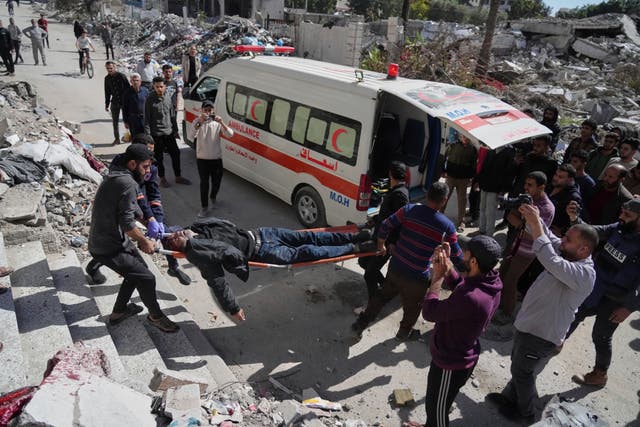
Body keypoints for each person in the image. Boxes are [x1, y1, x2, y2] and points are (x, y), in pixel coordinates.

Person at [486, 204, 598, 423]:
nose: (562, 241)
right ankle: (509, 397)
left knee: (523, 372)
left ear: (584, 249)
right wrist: (532, 217)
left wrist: (536, 223)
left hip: (542, 333)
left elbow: (548, 256)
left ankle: (526, 414)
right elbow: (547, 238)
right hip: (529, 324)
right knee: (519, 365)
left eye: (568, 240)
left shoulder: (584, 274)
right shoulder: (568, 252)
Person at [162, 219, 376, 320]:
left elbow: (226, 224)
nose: (176, 233)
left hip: (263, 232)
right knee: (309, 251)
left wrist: (193, 230)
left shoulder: (200, 228)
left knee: (310, 236)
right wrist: (233, 308)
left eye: (174, 232)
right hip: (264, 252)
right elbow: (218, 283)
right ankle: (354, 247)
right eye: (174, 238)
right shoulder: (202, 256)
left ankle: (354, 236)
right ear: (179, 248)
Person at [351, 182, 465, 341]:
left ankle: (361, 322)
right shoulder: (447, 226)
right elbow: (457, 255)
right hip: (417, 277)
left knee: (381, 296)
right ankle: (403, 333)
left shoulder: (409, 209)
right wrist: (467, 268)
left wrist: (381, 245)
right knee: (413, 308)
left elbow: (385, 225)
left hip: (396, 267)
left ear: (428, 194)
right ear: (444, 200)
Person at [88, 144, 179, 333]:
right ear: (132, 163)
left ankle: (118, 313)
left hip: (112, 239)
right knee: (146, 278)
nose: (147, 171)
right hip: (107, 246)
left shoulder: (119, 175)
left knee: (138, 272)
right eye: (145, 167)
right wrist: (144, 241)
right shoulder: (127, 183)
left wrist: (151, 223)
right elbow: (127, 222)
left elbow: (132, 210)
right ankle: (156, 317)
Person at [415, 236, 502, 427]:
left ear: (473, 261)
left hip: (450, 364)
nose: (462, 254)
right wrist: (448, 268)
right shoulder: (490, 282)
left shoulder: (472, 298)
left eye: (466, 252)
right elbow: (463, 288)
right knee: (438, 406)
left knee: (436, 412)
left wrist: (437, 277)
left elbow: (430, 312)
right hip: (459, 354)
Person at [87, 134, 192, 287]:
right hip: (128, 202)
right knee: (114, 241)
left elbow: (154, 193)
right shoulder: (120, 163)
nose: (150, 158)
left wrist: (158, 219)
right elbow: (134, 193)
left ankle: (173, 267)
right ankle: (94, 265)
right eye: (146, 153)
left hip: (137, 202)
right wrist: (148, 218)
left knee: (165, 233)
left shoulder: (151, 166)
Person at [563, 199, 640, 387]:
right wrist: (575, 219)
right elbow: (593, 232)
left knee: (601, 336)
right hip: (595, 289)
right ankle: (555, 343)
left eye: (627, 215)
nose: (621, 217)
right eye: (622, 212)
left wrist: (629, 308)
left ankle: (600, 374)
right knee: (572, 315)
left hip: (615, 300)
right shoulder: (619, 227)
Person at [493, 172, 555, 326]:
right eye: (525, 184)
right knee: (501, 274)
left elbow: (533, 235)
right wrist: (524, 223)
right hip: (515, 244)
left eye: (530, 185)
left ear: (541, 187)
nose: (525, 188)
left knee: (510, 281)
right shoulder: (526, 199)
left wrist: (522, 224)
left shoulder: (546, 208)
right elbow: (510, 217)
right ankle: (499, 304)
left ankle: (507, 313)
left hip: (527, 251)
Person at [357, 161, 409, 302]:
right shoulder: (395, 191)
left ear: (391, 174)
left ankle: (373, 305)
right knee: (363, 262)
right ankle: (387, 288)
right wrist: (374, 219)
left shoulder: (400, 195)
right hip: (379, 236)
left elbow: (400, 223)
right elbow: (387, 214)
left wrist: (391, 243)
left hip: (386, 242)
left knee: (370, 274)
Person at [187, 100, 233, 216]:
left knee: (217, 181)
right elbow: (190, 136)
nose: (208, 112)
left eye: (210, 110)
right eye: (205, 110)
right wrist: (200, 123)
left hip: (216, 158)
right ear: (201, 111)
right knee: (204, 183)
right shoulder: (197, 121)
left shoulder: (217, 123)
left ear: (213, 111)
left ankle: (213, 197)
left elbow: (230, 134)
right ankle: (204, 207)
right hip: (202, 159)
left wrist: (222, 122)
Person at [145, 76, 191, 187]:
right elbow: (147, 119)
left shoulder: (167, 97)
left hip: (169, 133)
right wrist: (148, 138)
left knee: (176, 153)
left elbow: (172, 116)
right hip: (157, 134)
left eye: (161, 86)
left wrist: (175, 130)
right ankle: (162, 178)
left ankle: (178, 176)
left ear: (165, 86)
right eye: (157, 87)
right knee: (158, 158)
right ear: (153, 87)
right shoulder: (150, 100)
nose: (159, 89)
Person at [477, 144, 517, 236]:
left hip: (496, 188)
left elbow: (509, 173)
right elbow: (484, 166)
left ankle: (489, 234)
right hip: (485, 184)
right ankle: (481, 229)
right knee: (482, 208)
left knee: (490, 211)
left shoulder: (509, 152)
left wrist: (503, 190)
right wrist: (478, 181)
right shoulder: (491, 149)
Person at [442, 134, 477, 232]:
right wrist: (443, 170)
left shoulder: (473, 149)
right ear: (461, 137)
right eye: (464, 136)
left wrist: (471, 177)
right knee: (445, 196)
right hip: (451, 177)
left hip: (463, 179)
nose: (465, 139)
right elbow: (444, 157)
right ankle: (438, 214)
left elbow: (474, 164)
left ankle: (461, 221)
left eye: (467, 137)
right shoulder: (453, 145)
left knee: (462, 200)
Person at [548, 164, 582, 237]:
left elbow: (575, 220)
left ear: (570, 179)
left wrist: (563, 232)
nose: (556, 178)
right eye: (556, 175)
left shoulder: (573, 197)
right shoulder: (551, 186)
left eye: (560, 177)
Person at [104, 61, 130, 145]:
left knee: (128, 120)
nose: (110, 70)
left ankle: (131, 137)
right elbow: (107, 92)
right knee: (115, 122)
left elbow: (128, 88)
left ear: (114, 68)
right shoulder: (107, 78)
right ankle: (117, 139)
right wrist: (107, 104)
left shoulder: (121, 76)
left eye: (111, 68)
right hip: (114, 102)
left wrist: (130, 101)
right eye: (108, 68)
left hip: (124, 102)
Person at [161, 64, 180, 137]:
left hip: (174, 107)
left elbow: (177, 94)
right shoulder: (161, 83)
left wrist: (177, 106)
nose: (168, 73)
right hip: (165, 107)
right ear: (163, 72)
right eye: (166, 72)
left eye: (169, 71)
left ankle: (174, 136)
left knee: (174, 122)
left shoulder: (174, 83)